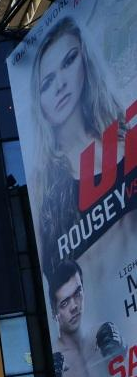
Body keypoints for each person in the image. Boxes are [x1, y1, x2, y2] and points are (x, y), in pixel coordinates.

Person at [30, 17, 125, 274]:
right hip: (103, 309)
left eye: (69, 61)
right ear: (37, 101)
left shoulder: (125, 134)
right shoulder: (42, 184)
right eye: (46, 83)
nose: (60, 85)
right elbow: (49, 278)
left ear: (85, 62)